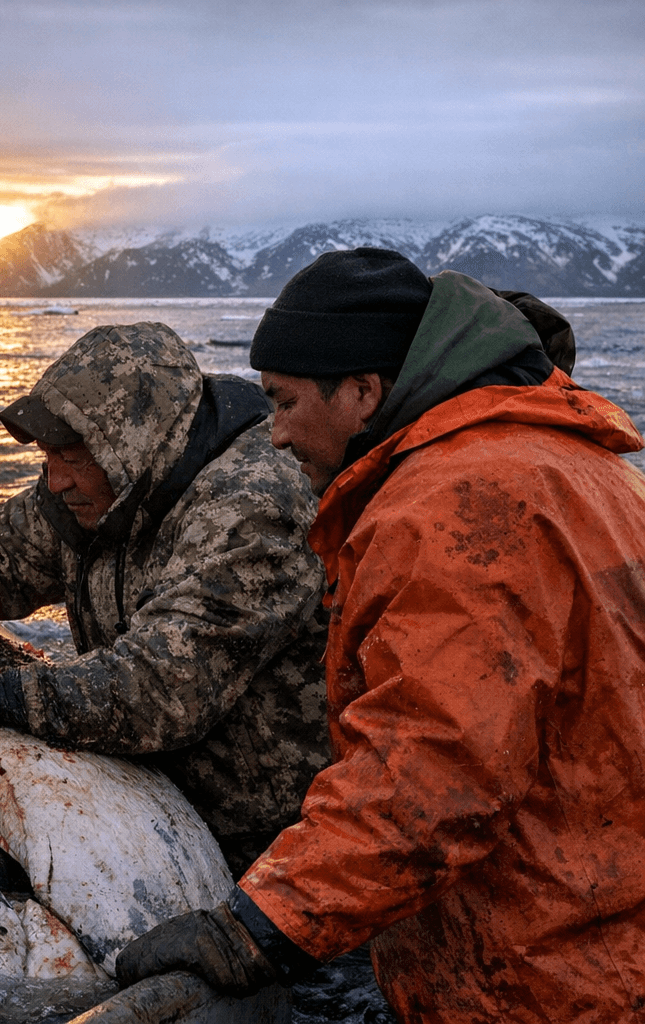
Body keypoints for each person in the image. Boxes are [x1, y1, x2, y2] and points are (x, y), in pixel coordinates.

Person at [115, 247, 645, 1022]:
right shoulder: (573, 463)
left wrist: (260, 927)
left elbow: (432, 773)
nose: (276, 436)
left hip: (547, 975)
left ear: (364, 391)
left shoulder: (448, 510)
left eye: (287, 403)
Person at [0, 321, 331, 877]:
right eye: (48, 455)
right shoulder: (105, 485)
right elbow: (3, 553)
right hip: (151, 803)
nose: (55, 479)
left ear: (132, 445)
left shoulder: (254, 502)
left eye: (71, 455)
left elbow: (165, 687)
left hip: (280, 847)